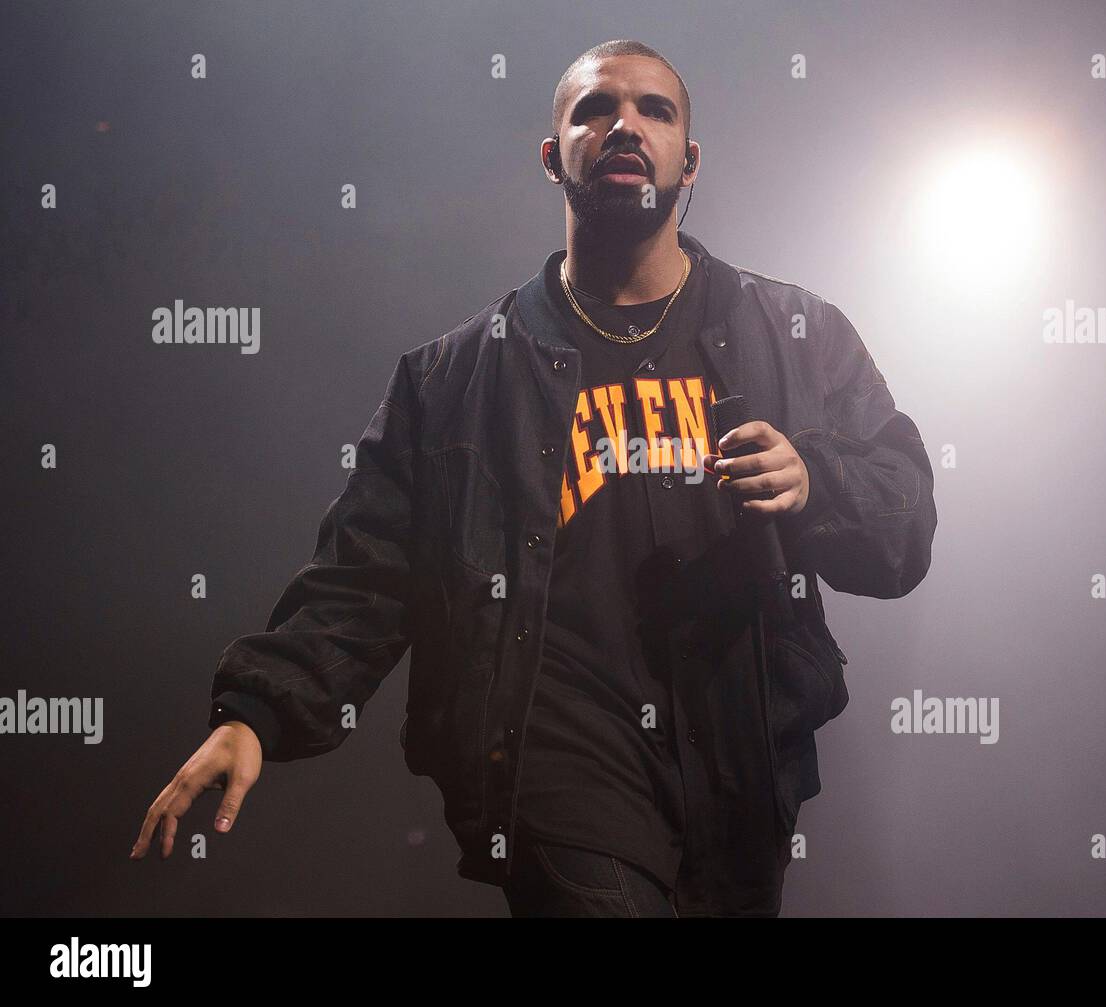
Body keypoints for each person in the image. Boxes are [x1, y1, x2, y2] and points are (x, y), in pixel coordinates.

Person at [130, 39, 938, 918]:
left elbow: (905, 527)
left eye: (654, 110)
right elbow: (364, 573)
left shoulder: (795, 334)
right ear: (553, 157)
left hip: (741, 769)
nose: (624, 124)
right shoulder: (454, 380)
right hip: (558, 766)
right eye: (595, 109)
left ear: (690, 162)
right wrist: (257, 709)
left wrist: (815, 481)